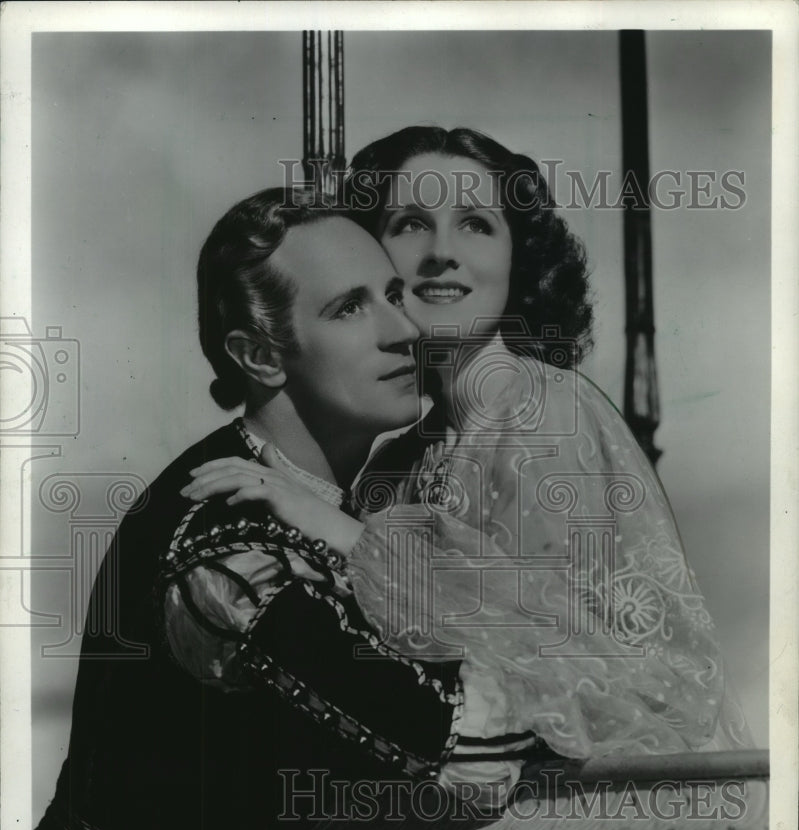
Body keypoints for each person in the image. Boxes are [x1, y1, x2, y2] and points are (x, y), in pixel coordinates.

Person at [31, 187, 533, 830]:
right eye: (348, 309)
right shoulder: (231, 546)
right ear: (261, 356)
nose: (404, 331)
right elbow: (466, 757)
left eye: (395, 296)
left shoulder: (306, 501)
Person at [188, 127, 751, 778]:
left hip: (604, 808)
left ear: (519, 258)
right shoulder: (394, 463)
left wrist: (344, 536)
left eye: (477, 225)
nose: (441, 255)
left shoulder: (549, 413)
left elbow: (590, 670)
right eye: (408, 225)